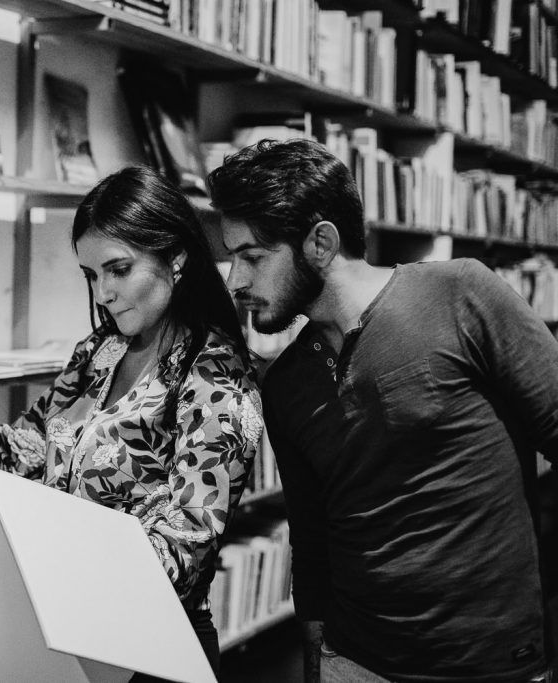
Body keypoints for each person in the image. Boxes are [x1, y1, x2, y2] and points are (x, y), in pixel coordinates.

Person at [0, 165, 263, 678]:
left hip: (148, 649)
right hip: (58, 630)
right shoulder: (99, 354)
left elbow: (188, 543)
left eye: (118, 269)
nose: (103, 292)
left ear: (175, 257)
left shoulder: (215, 375)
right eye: (91, 275)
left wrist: (63, 562)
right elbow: (24, 445)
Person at [208, 137, 558, 683]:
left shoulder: (461, 294)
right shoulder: (285, 384)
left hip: (488, 664)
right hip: (354, 662)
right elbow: (311, 537)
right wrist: (319, 665)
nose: (238, 282)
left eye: (252, 257)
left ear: (320, 242)